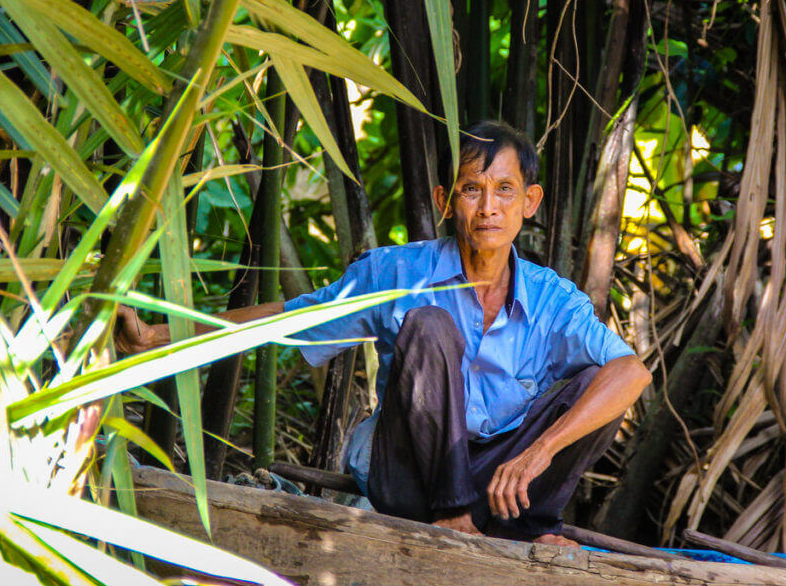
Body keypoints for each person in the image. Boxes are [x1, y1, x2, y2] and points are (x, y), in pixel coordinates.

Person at [116, 120, 651, 547]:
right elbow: (288, 320)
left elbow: (632, 371)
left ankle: (526, 525)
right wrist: (155, 335)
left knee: (600, 382)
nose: (488, 207)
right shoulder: (397, 274)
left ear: (529, 203)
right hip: (410, 480)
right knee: (430, 325)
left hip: (501, 487)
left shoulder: (553, 298)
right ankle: (454, 515)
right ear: (446, 200)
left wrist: (540, 453)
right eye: (471, 189)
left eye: (505, 190)